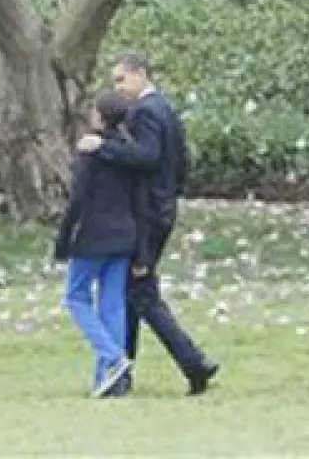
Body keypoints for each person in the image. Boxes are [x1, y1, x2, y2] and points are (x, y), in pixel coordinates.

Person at [78, 52, 220, 396]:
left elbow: (147, 156)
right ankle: (126, 369)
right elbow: (179, 161)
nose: (118, 88)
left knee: (141, 296)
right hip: (159, 209)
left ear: (141, 75)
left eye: (121, 79)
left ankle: (188, 364)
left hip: (147, 216)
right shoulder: (165, 110)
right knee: (133, 295)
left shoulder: (146, 111)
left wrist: (103, 147)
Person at [54, 91, 139, 399]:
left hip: (92, 235)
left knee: (76, 297)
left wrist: (63, 239)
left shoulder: (91, 152)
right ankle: (110, 378)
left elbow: (78, 199)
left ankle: (112, 357)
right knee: (113, 302)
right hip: (124, 234)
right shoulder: (128, 152)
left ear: (100, 116)